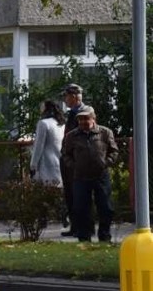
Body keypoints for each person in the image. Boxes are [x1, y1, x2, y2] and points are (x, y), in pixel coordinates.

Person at [61, 106, 119, 243]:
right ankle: (84, 237)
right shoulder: (71, 136)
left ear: (93, 118)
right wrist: (73, 166)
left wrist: (106, 163)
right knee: (81, 208)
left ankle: (104, 236)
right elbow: (65, 154)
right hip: (80, 176)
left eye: (86, 119)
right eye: (80, 119)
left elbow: (114, 151)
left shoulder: (105, 132)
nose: (83, 122)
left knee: (105, 207)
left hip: (100, 175)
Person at [60, 84, 86, 236]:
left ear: (75, 96)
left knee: (80, 195)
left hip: (78, 161)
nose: (65, 99)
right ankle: (75, 227)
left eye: (67, 96)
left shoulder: (84, 113)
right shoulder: (72, 114)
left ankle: (82, 227)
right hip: (68, 160)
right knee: (70, 194)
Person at [29, 100, 65, 185]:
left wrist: (33, 165)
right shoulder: (61, 124)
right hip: (59, 161)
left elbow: (38, 146)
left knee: (46, 191)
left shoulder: (43, 123)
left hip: (46, 163)